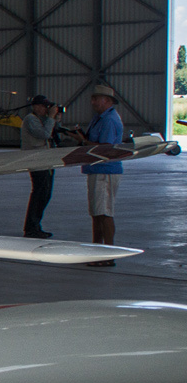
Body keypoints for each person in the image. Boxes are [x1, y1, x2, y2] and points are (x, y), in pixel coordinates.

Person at [79, 83, 124, 267]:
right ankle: (97, 250)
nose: (93, 102)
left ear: (106, 101)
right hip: (96, 170)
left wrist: (82, 141)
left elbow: (104, 148)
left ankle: (108, 253)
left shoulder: (108, 120)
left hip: (105, 170)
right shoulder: (100, 118)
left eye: (96, 98)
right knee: (97, 212)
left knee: (104, 212)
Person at [19, 96, 61, 238]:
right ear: (36, 106)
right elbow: (44, 134)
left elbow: (53, 132)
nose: (46, 109)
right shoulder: (31, 119)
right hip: (37, 162)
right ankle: (31, 228)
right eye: (44, 106)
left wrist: (55, 119)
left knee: (45, 194)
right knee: (39, 193)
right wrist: (50, 118)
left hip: (46, 161)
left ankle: (35, 225)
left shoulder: (42, 119)